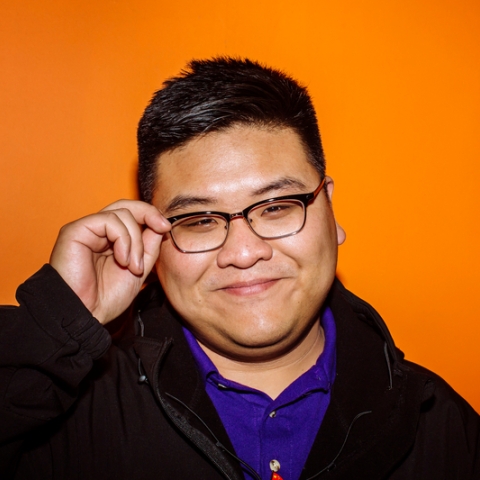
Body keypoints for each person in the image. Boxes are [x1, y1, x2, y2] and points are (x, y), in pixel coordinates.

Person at [0, 57, 478, 480]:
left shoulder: (440, 425)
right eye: (200, 220)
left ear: (330, 210)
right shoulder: (68, 416)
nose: (244, 253)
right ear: (154, 237)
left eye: (276, 207)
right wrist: (58, 328)